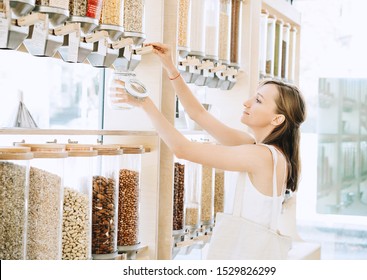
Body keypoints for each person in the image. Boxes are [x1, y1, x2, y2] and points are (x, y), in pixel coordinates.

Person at [110, 42, 307, 258]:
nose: (247, 102)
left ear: (277, 119)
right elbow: (199, 115)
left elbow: (182, 149)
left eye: (258, 100)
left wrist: (145, 103)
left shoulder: (259, 156)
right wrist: (171, 68)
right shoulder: (260, 148)